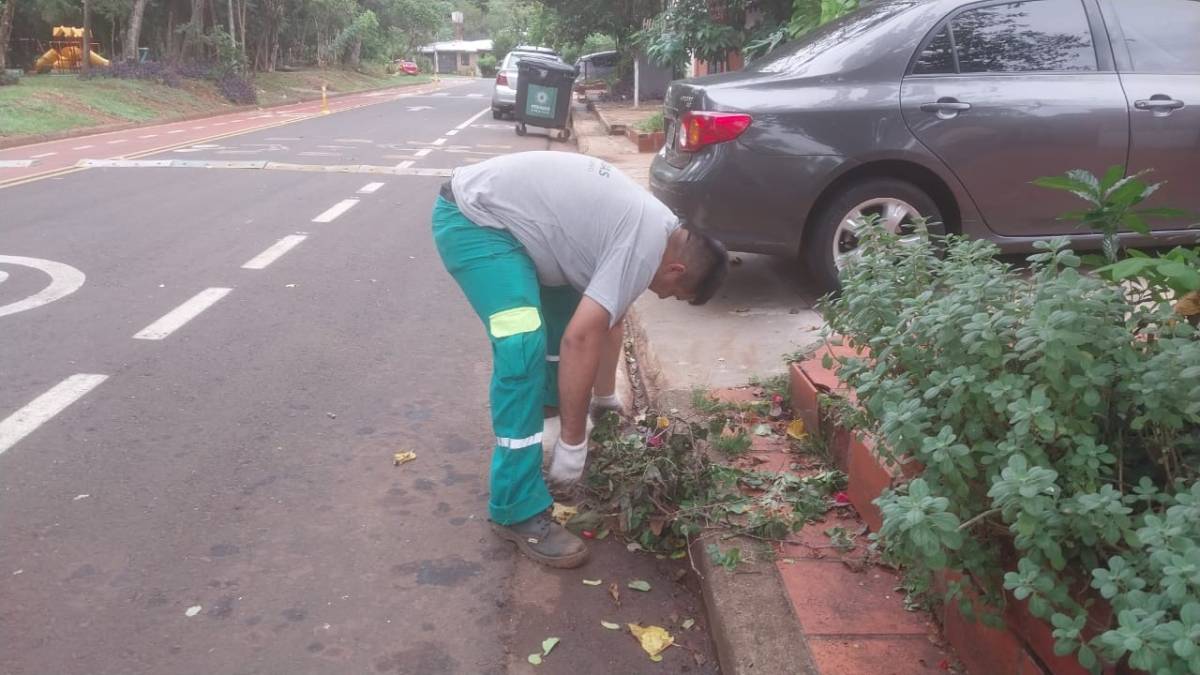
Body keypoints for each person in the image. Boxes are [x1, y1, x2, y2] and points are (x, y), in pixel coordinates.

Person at [431, 151, 728, 568]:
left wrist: (605, 401)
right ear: (676, 270)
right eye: (673, 294)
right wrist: (575, 443)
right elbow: (583, 339)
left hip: (521, 232)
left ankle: (545, 425)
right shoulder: (645, 248)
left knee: (573, 315)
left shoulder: (658, 229)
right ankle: (515, 508)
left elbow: (610, 322)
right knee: (522, 345)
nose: (662, 297)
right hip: (476, 222)